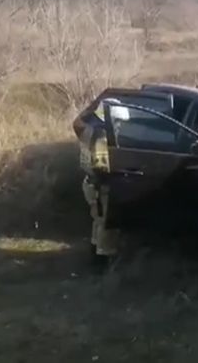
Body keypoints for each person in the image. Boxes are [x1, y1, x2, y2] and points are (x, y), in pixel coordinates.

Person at [78, 98, 128, 272]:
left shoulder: (89, 128)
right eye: (119, 121)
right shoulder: (101, 136)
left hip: (90, 183)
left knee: (98, 222)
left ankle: (94, 256)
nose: (120, 125)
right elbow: (101, 166)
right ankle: (102, 265)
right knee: (106, 225)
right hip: (99, 186)